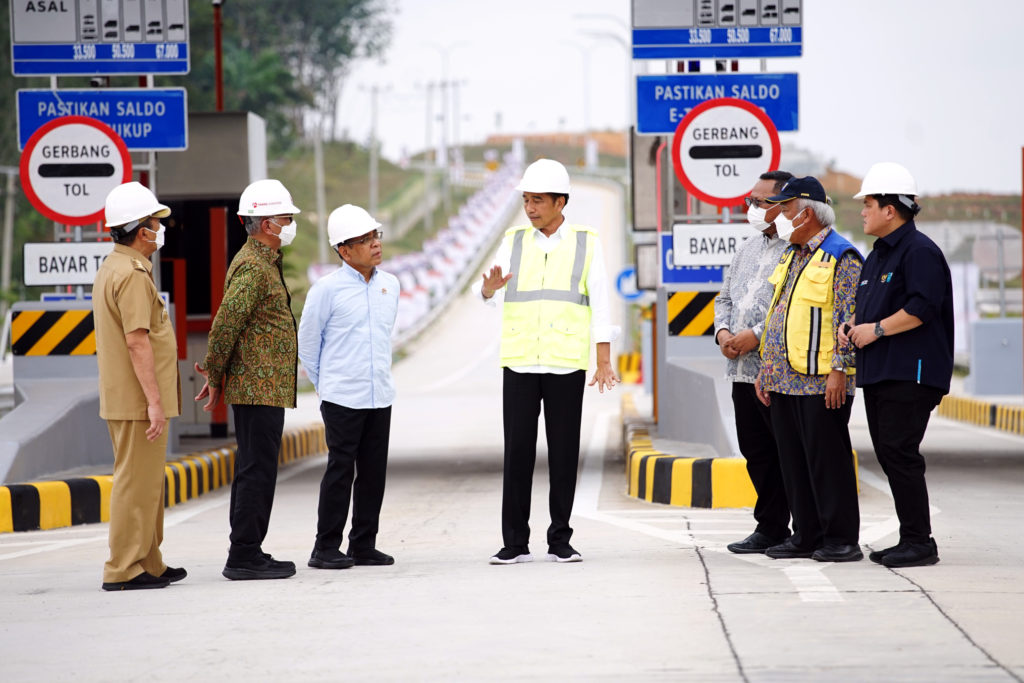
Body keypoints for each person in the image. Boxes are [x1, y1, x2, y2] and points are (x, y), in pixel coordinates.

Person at [477, 158, 620, 565]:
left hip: (564, 363)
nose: (530, 208)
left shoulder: (586, 243)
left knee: (563, 454)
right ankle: (514, 543)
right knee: (517, 453)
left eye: (538, 200)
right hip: (520, 361)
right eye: (526, 200)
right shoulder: (513, 241)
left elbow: (600, 302)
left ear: (561, 202)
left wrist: (603, 359)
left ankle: (560, 539)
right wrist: (488, 290)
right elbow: (485, 290)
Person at [838, 162, 953, 568]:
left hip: (911, 372)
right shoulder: (877, 256)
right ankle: (912, 538)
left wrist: (876, 330)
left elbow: (922, 307)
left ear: (891, 209)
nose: (862, 212)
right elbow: (870, 310)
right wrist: (853, 328)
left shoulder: (919, 251)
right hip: (882, 371)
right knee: (890, 454)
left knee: (900, 452)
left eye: (868, 204)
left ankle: (920, 542)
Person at [754, 176, 864, 563]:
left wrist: (840, 371)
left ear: (808, 214)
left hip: (821, 382)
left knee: (827, 462)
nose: (779, 216)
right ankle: (806, 535)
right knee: (794, 463)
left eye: (785, 209)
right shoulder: (793, 254)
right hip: (784, 378)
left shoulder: (841, 256)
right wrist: (766, 370)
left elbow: (847, 319)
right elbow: (779, 314)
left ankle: (841, 539)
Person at [195, 179, 301, 581]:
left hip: (264, 387)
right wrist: (215, 372)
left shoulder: (263, 262)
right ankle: (244, 553)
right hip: (258, 387)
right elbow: (226, 323)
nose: (291, 225)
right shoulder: (254, 267)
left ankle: (247, 549)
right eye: (287, 218)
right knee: (257, 469)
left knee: (255, 467)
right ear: (268, 224)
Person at [93, 181, 185, 591]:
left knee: (147, 484)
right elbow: (136, 341)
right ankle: (124, 568)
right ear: (140, 230)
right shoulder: (130, 276)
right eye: (155, 223)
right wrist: (154, 402)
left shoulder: (117, 267)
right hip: (137, 401)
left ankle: (149, 561)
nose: (160, 230)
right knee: (135, 484)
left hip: (131, 398)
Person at [298, 205, 400, 570]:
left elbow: (384, 336)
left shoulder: (391, 285)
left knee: (373, 473)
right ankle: (325, 547)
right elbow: (308, 343)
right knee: (340, 471)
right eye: (365, 239)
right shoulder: (326, 290)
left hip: (379, 394)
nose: (375, 244)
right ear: (344, 250)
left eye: (376, 236)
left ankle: (363, 544)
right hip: (342, 396)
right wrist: (327, 386)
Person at [714, 170, 794, 554]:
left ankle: (805, 528)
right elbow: (724, 298)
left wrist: (757, 335)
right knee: (756, 451)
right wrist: (723, 333)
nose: (752, 208)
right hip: (741, 372)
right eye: (750, 201)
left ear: (784, 205)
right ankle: (771, 527)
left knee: (787, 452)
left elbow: (790, 307)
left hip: (778, 373)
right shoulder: (745, 248)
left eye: (760, 202)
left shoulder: (797, 249)